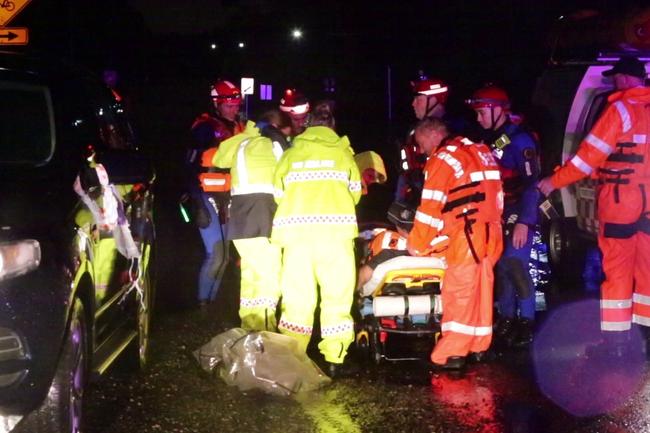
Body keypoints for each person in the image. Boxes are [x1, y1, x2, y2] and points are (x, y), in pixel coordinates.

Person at [538, 56, 650, 343]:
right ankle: (646, 336)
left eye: (615, 78)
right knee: (648, 269)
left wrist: (553, 182)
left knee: (617, 268)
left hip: (620, 200)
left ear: (624, 79)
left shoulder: (619, 110)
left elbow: (587, 160)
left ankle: (616, 342)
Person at [272, 101, 361, 378]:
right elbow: (355, 192)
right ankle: (334, 358)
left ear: (308, 124)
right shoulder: (344, 154)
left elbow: (278, 192)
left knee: (297, 298)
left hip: (297, 238)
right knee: (337, 297)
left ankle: (293, 357)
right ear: (332, 126)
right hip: (336, 237)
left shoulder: (291, 153)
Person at [407, 117, 503, 370]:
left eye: (420, 143)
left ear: (429, 136)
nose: (421, 150)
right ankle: (479, 345)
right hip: (491, 231)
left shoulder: (442, 159)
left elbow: (430, 208)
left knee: (459, 292)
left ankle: (451, 353)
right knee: (481, 291)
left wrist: (417, 245)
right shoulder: (480, 151)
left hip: (466, 234)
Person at [467, 84, 541, 347]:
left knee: (515, 263)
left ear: (497, 110)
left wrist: (525, 220)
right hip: (497, 212)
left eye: (481, 112)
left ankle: (527, 322)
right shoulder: (496, 139)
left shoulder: (521, 140)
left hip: (518, 210)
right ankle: (508, 318)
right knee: (501, 265)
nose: (478, 118)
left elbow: (533, 183)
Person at [212, 110, 291, 331]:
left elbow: (219, 158)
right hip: (264, 215)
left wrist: (243, 135)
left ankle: (249, 326)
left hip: (239, 218)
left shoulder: (240, 141)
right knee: (269, 275)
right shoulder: (276, 144)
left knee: (251, 274)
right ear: (277, 127)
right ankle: (266, 332)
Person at [187, 79, 245, 307]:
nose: (234, 108)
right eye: (229, 104)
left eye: (236, 103)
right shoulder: (205, 128)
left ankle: (210, 304)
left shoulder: (240, 128)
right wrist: (196, 203)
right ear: (217, 104)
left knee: (227, 257)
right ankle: (201, 304)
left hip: (230, 197)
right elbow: (190, 166)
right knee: (216, 255)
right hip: (206, 195)